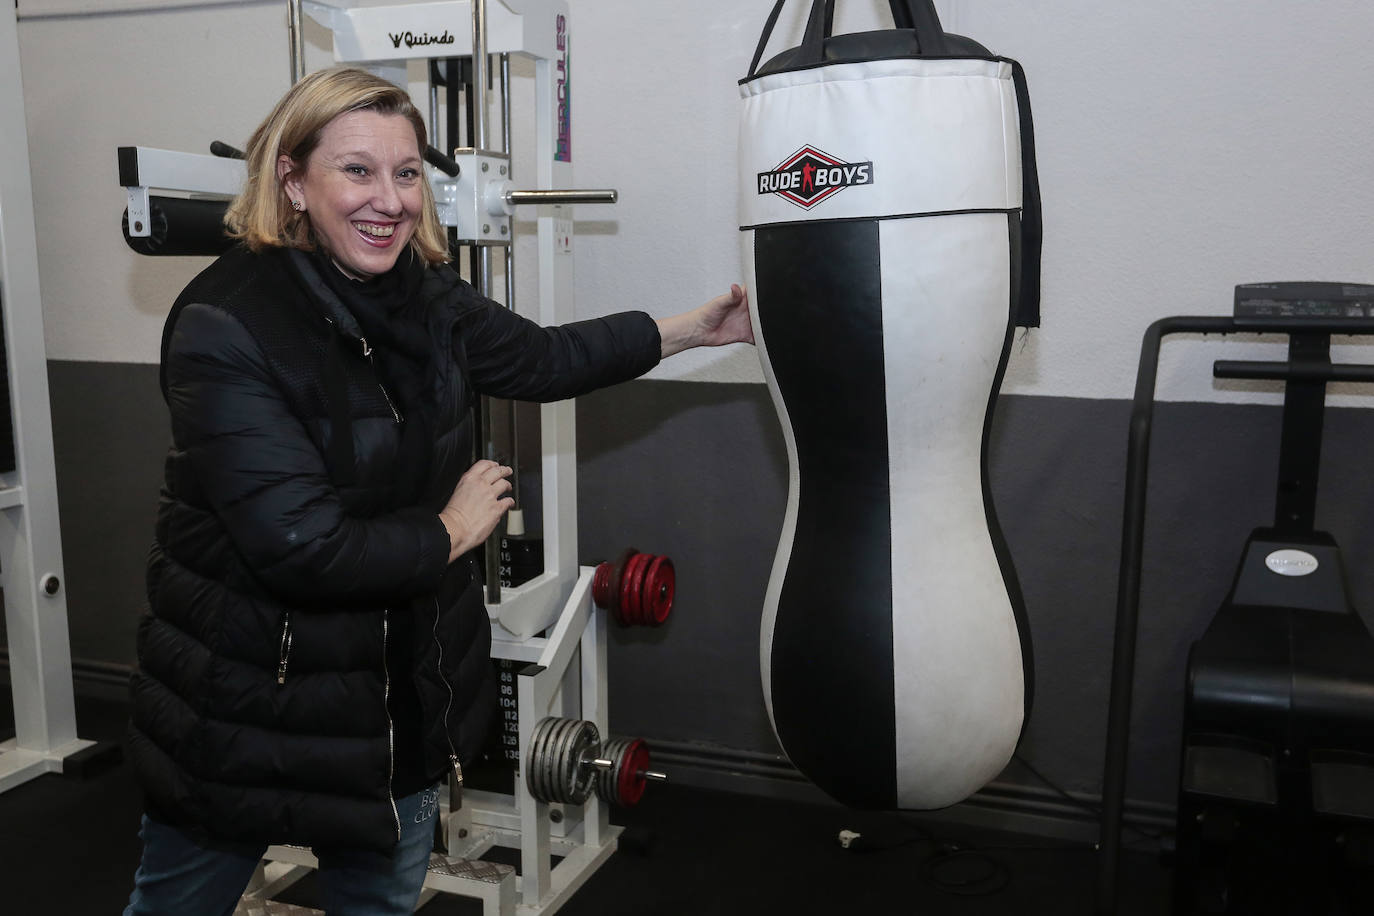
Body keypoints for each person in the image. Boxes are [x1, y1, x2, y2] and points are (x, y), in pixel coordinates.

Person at [123, 66, 752, 915]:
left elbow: (541, 358)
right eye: (357, 170)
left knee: (380, 904)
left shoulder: (425, 297)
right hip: (245, 707)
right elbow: (303, 546)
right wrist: (453, 531)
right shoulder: (227, 324)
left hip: (398, 699)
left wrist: (688, 332)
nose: (390, 199)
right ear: (291, 179)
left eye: (407, 172)